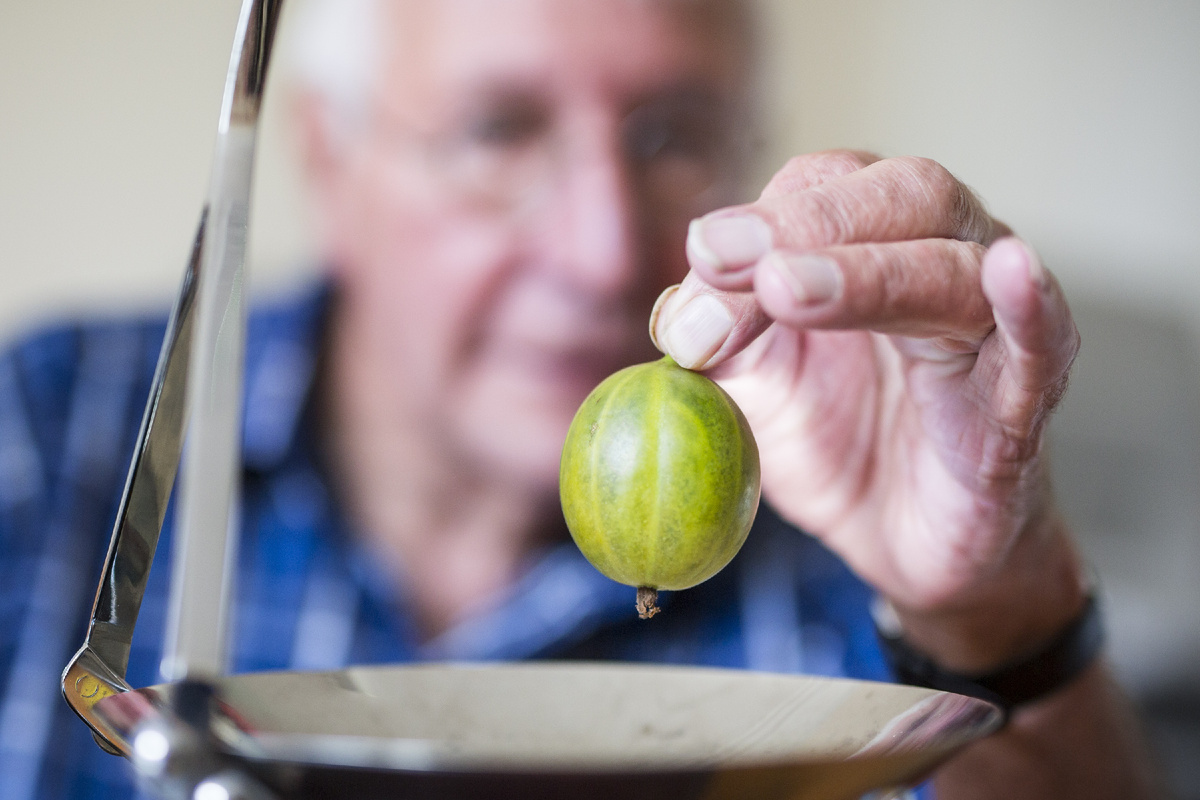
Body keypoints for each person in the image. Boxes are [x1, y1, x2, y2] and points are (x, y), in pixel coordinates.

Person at [0, 0, 1163, 797]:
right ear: (325, 158)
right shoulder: (50, 443)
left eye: (674, 137)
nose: (604, 251)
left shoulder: (848, 531)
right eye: (498, 130)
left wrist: (992, 609)